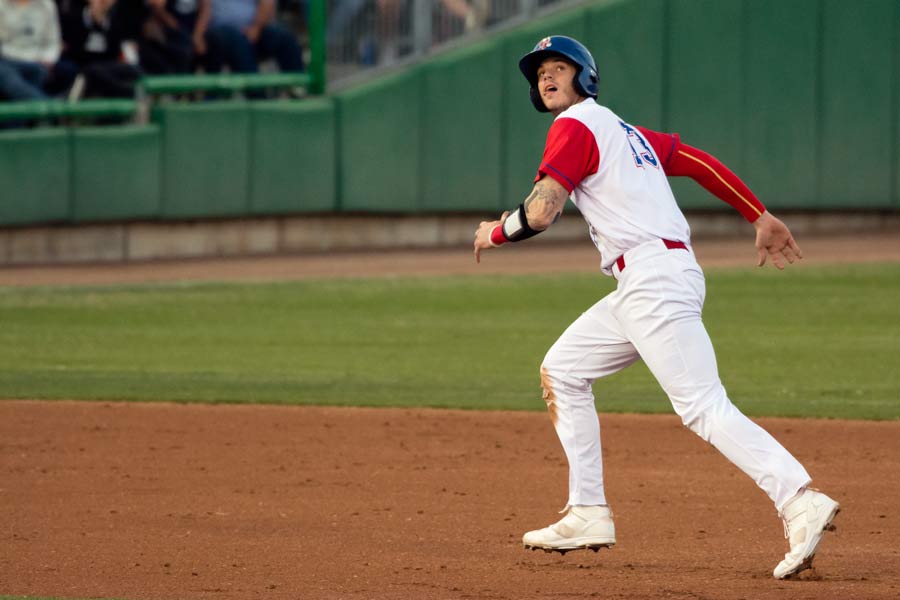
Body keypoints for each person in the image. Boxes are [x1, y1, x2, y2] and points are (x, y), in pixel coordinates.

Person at [472, 35, 840, 580]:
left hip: (653, 282)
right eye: (539, 72)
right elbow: (696, 161)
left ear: (584, 77)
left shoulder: (573, 127)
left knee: (703, 407)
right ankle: (587, 511)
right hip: (649, 280)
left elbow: (543, 210)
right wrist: (757, 214)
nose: (546, 77)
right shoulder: (624, 131)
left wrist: (496, 232)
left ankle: (799, 499)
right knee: (564, 371)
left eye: (558, 67)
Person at [203, 0, 303, 76]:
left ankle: (298, 87)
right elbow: (204, 9)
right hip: (220, 33)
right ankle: (257, 94)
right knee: (236, 40)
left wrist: (256, 27)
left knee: (284, 38)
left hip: (253, 28)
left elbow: (267, 3)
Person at [0, 0, 61, 100]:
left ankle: (46, 109)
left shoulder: (47, 5)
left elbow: (53, 42)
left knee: (38, 74)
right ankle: (54, 109)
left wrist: (48, 60)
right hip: (8, 60)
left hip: (38, 61)